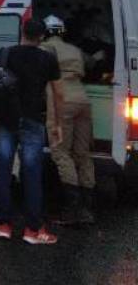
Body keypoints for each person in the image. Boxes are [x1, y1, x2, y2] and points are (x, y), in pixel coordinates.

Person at [0, 18, 62, 245]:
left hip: (6, 120)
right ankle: (32, 230)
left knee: (3, 170)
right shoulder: (48, 59)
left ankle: (4, 224)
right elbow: (56, 94)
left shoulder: (4, 53)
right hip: (33, 120)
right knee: (32, 173)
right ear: (42, 36)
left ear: (22, 31)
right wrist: (57, 124)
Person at [41, 15, 96, 225]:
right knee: (82, 153)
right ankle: (88, 207)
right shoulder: (74, 49)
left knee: (61, 152)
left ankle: (73, 210)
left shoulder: (44, 49)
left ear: (45, 32)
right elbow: (92, 62)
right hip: (83, 99)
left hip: (61, 100)